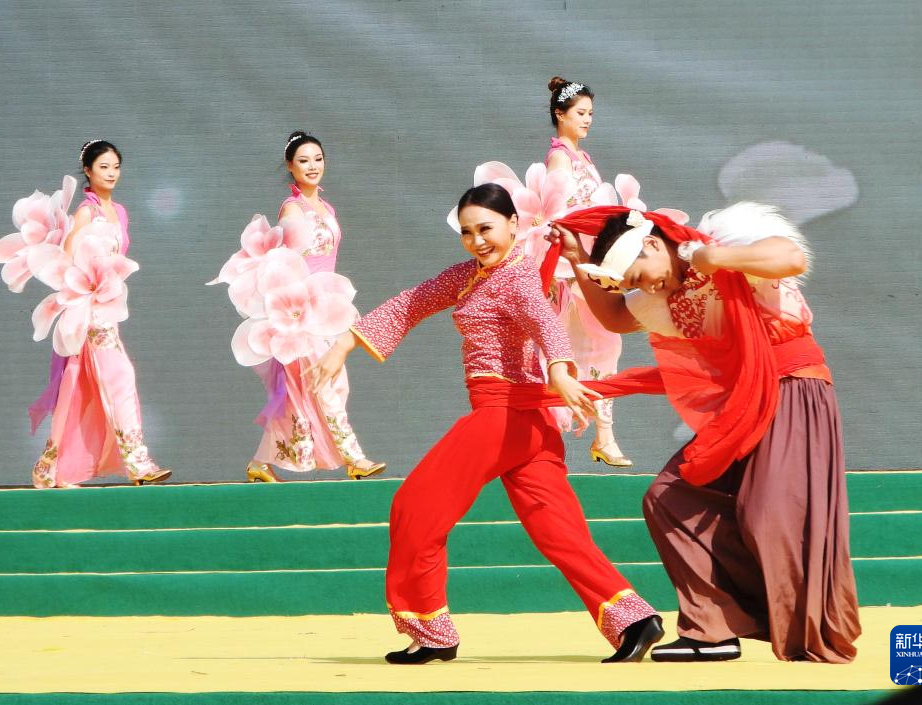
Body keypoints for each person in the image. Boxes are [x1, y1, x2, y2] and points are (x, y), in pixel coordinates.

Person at [306, 184, 663, 665]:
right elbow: (413, 302)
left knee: (415, 507)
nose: (477, 240)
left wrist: (560, 369)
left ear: (514, 224)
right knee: (560, 533)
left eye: (487, 228)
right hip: (530, 426)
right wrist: (344, 343)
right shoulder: (469, 276)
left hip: (504, 416)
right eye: (467, 232)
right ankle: (634, 619)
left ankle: (431, 629)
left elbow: (544, 322)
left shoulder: (517, 278)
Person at [546, 202, 861, 663]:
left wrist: (716, 258)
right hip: (741, 403)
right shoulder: (668, 296)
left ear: (652, 244)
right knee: (670, 498)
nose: (645, 288)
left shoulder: (721, 245)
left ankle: (808, 627)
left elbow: (791, 257)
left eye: (640, 276)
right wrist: (577, 258)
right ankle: (712, 630)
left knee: (769, 514)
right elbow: (615, 318)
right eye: (633, 284)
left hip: (790, 388)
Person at [18, 140, 170, 488]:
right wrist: (81, 299)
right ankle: (138, 463)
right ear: (87, 171)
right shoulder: (86, 213)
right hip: (87, 310)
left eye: (116, 166)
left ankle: (49, 467)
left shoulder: (120, 211)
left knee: (77, 386)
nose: (111, 173)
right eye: (103, 167)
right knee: (121, 376)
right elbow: (67, 263)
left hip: (108, 307)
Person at [244, 131, 385, 482]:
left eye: (318, 159)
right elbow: (284, 264)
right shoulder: (292, 209)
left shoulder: (326, 207)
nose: (312, 166)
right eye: (304, 160)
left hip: (328, 304)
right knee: (324, 381)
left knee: (319, 385)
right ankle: (354, 458)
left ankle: (260, 462)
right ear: (290, 166)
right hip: (303, 309)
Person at [544, 77, 630, 467]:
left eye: (591, 113)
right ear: (560, 114)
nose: (587, 120)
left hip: (587, 263)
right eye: (580, 113)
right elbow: (557, 215)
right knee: (558, 350)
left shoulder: (582, 157)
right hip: (568, 268)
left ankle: (604, 436)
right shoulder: (560, 158)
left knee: (605, 343)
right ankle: (554, 441)